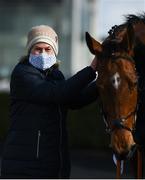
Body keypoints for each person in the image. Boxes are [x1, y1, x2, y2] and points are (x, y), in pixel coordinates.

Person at [1, 25, 99, 178]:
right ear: (29, 51)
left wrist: (103, 83)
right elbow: (57, 93)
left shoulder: (55, 75)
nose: (42, 54)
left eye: (48, 49)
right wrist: (91, 70)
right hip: (25, 167)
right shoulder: (22, 73)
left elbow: (74, 100)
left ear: (54, 51)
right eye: (37, 49)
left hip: (53, 165)